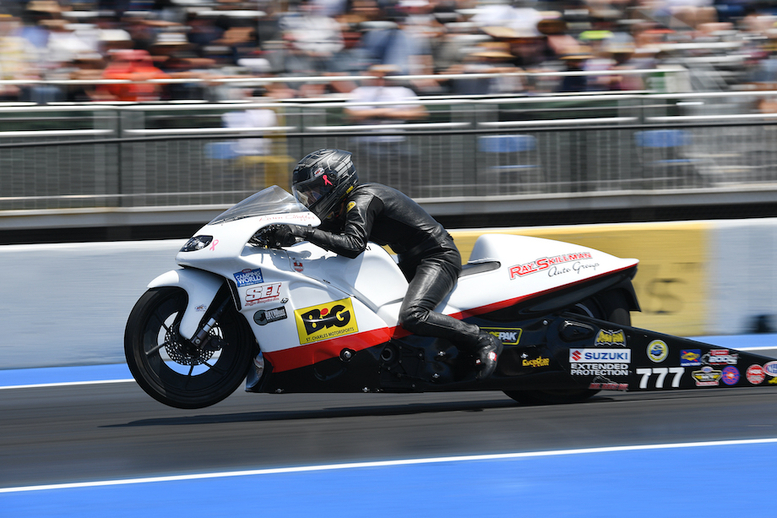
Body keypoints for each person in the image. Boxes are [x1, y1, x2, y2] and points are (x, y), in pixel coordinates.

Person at [265, 148, 503, 379]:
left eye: (315, 192)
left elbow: (352, 244)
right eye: (306, 195)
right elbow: (317, 232)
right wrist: (279, 235)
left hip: (437, 257)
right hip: (412, 260)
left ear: (334, 181)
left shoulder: (362, 200)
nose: (311, 200)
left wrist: (301, 232)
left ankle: (482, 339)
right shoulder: (342, 208)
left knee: (413, 315)